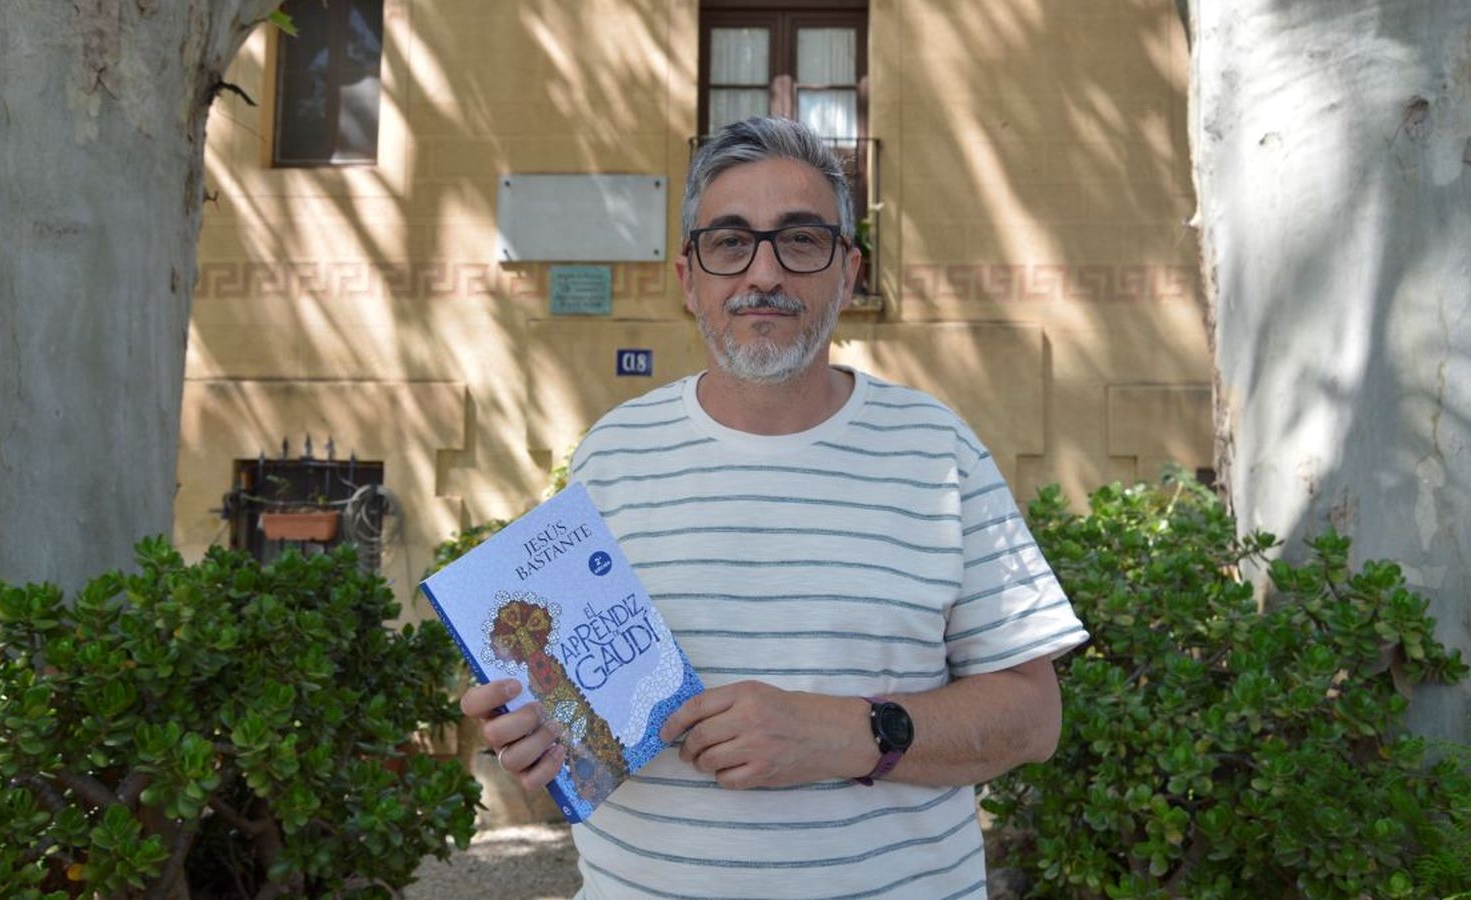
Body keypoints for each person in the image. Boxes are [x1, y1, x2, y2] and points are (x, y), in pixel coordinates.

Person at [460, 116, 1089, 899]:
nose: (763, 273)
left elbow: (1033, 718)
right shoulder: (610, 455)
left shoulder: (938, 451)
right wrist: (533, 747)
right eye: (729, 242)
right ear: (688, 279)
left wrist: (848, 735)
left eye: (799, 240)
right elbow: (577, 747)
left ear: (849, 272)